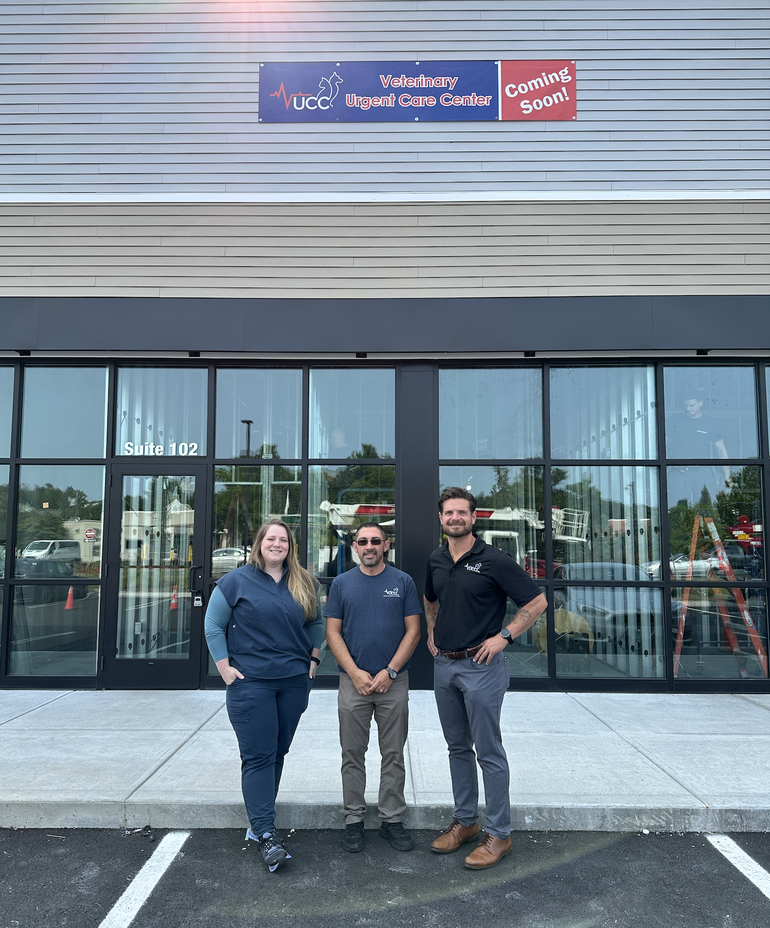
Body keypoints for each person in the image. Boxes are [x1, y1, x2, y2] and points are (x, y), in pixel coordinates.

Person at [424, 487, 547, 871]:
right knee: (456, 747)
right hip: (445, 665)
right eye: (449, 512)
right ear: (441, 518)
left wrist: (504, 637)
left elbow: (537, 601)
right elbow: (431, 599)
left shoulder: (493, 559)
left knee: (488, 750)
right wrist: (431, 631)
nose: (455, 517)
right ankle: (466, 823)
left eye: (462, 512)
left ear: (473, 518)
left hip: (482, 666)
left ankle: (500, 833)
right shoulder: (437, 558)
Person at [204, 518, 323, 872]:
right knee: (258, 755)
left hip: (293, 681)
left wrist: (314, 659)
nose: (277, 545)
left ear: (290, 546)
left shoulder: (304, 581)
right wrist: (224, 667)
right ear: (259, 544)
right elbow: (213, 624)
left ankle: (259, 822)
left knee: (277, 752)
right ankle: (266, 834)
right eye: (270, 539)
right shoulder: (235, 581)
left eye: (283, 540)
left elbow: (316, 622)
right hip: (251, 683)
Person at [325, 522, 421, 853]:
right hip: (353, 683)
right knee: (352, 754)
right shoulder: (341, 584)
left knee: (393, 754)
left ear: (386, 545)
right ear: (354, 546)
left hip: (393, 683)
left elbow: (413, 631)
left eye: (375, 541)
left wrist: (390, 671)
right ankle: (353, 819)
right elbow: (333, 633)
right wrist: (355, 673)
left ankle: (391, 820)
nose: (369, 546)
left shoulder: (402, 582)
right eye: (363, 541)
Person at [666, 388, 731, 505]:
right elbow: (661, 444)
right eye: (686, 405)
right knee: (677, 507)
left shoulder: (710, 423)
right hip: (679, 471)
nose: (688, 409)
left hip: (703, 471)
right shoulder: (673, 421)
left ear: (700, 403)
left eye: (692, 405)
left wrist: (728, 477)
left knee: (707, 506)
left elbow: (721, 451)